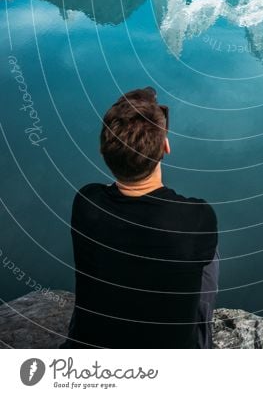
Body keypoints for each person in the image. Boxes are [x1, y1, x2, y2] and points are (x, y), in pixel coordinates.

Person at [65, 87, 218, 349]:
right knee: (208, 254)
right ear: (165, 146)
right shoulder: (196, 217)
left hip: (91, 355)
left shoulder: (86, 203)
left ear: (104, 152)